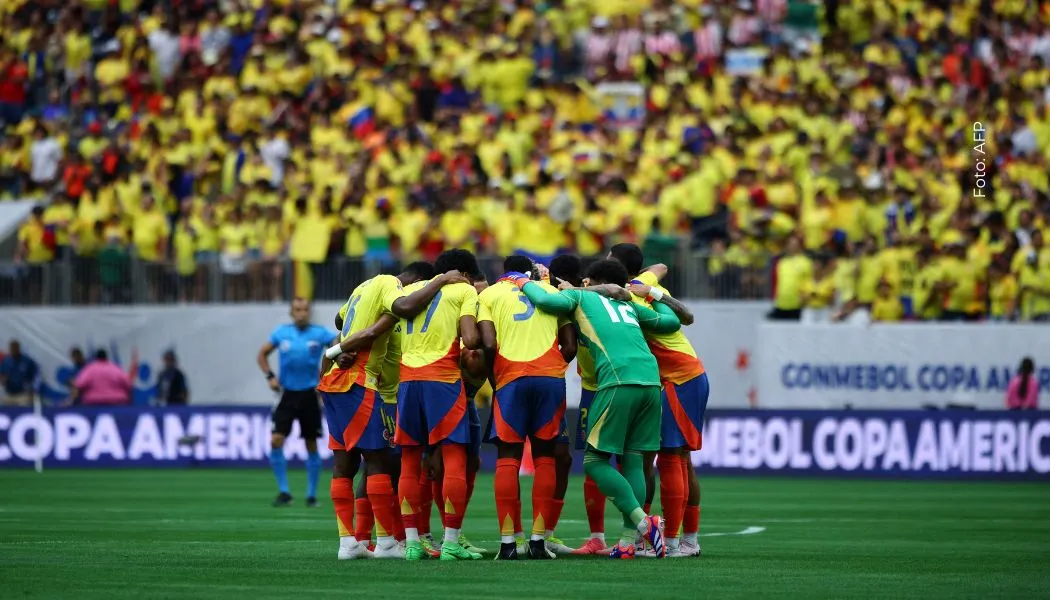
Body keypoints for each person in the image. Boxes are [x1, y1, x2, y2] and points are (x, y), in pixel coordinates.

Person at [516, 258, 682, 559]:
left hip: (617, 380)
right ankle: (627, 542)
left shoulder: (579, 297)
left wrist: (520, 281)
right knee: (632, 460)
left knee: (594, 461)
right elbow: (671, 322)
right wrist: (652, 295)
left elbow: (541, 299)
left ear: (590, 281)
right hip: (651, 382)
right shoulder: (629, 304)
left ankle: (645, 524)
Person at [320, 265, 468, 560]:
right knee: (378, 460)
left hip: (337, 381)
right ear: (413, 281)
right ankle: (386, 542)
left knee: (345, 464)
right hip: (360, 381)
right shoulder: (390, 284)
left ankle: (349, 542)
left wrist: (340, 348)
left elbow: (340, 319)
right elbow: (403, 306)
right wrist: (439, 281)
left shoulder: (363, 287)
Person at [611, 242, 708, 558]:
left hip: (681, 378)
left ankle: (675, 541)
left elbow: (681, 314)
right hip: (677, 378)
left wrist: (647, 292)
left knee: (671, 457)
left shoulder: (630, 292)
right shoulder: (643, 283)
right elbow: (659, 268)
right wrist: (650, 288)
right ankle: (683, 539)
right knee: (672, 458)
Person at [478, 255, 576, 560]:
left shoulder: (489, 295)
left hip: (511, 379)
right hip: (549, 378)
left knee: (508, 457)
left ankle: (508, 544)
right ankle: (537, 541)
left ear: (502, 270)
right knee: (546, 456)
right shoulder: (552, 293)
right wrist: (553, 368)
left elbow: (489, 344)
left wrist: (498, 380)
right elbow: (570, 346)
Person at [394, 249, 484, 561]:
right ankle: (450, 542)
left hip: (407, 381)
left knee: (409, 460)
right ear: (467, 274)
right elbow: (471, 339)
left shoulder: (410, 290)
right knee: (454, 458)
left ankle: (413, 543)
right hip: (443, 380)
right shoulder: (464, 289)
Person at [548, 254, 611, 556]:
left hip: (600, 390)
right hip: (603, 387)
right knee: (624, 461)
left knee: (594, 464)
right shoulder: (610, 301)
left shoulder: (571, 300)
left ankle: (600, 536)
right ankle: (632, 535)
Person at [257, 298, 337, 508]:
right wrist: (270, 377)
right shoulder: (281, 333)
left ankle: (311, 495)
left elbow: (340, 345)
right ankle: (284, 491)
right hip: (286, 394)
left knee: (311, 443)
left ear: (309, 312)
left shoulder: (320, 333)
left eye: (305, 310)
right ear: (291, 313)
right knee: (276, 440)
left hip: (310, 394)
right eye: (297, 310)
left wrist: (329, 376)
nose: (301, 313)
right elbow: (262, 354)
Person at [0, 340, 39, 407]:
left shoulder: (27, 361)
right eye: (12, 348)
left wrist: (33, 388)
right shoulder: (6, 361)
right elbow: (2, 375)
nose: (13, 350)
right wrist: (3, 379)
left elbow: (37, 374)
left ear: (18, 348)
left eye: (15, 348)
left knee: (24, 409)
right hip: (9, 394)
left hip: (23, 394)